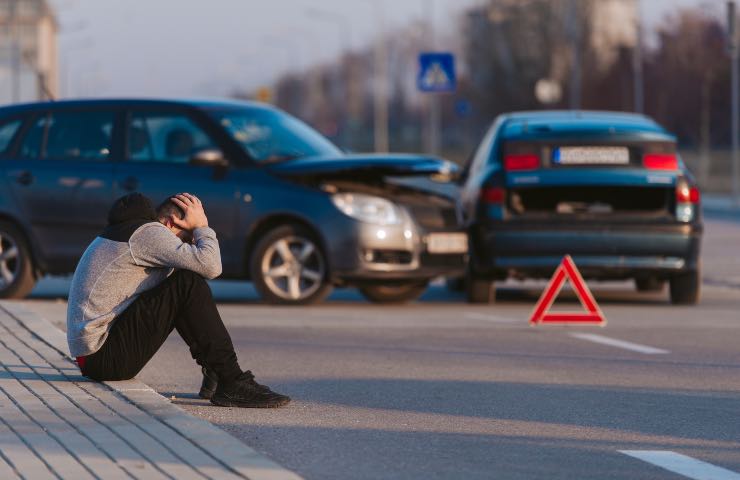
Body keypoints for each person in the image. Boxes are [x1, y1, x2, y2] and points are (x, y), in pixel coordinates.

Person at [66, 192, 290, 408]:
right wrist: (202, 227)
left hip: (96, 356)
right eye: (186, 238)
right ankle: (231, 380)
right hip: (103, 357)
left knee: (181, 280)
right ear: (171, 223)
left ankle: (216, 373)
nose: (188, 246)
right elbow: (212, 266)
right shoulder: (149, 234)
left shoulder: (130, 231)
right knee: (186, 282)